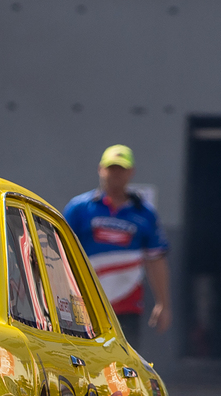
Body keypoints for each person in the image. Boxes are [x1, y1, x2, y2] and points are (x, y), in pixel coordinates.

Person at [63, 144, 171, 349]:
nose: (116, 174)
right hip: (84, 302)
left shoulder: (144, 213)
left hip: (126, 303)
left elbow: (156, 259)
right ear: (100, 169)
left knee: (123, 361)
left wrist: (163, 304)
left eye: (121, 169)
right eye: (111, 168)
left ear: (131, 172)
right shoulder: (79, 208)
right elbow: (58, 252)